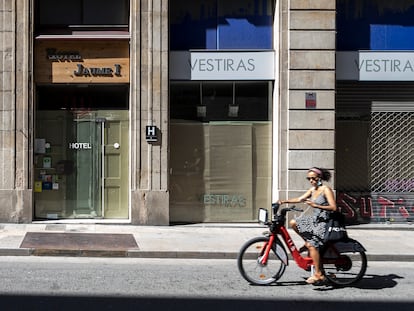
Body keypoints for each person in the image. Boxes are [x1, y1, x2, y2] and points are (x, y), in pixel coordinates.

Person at [277, 167, 337, 285]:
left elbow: (333, 207)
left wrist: (316, 205)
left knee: (311, 245)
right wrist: (283, 202)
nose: (311, 180)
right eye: (308, 178)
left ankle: (318, 274)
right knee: (294, 223)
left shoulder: (326, 189)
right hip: (315, 220)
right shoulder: (313, 190)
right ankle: (308, 242)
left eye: (313, 178)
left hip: (324, 222)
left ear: (319, 178)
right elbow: (300, 199)